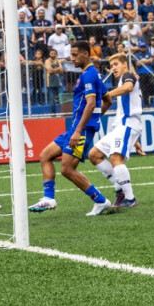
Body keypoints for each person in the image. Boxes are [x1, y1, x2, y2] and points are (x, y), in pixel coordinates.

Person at [29, 41, 110, 213]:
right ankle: (48, 199)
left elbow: (90, 103)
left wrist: (82, 128)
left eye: (74, 55)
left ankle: (101, 201)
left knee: (67, 169)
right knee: (45, 155)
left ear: (86, 54)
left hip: (79, 130)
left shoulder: (89, 75)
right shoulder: (91, 73)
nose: (71, 58)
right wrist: (94, 119)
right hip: (75, 128)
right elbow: (108, 100)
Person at [87, 53, 145, 213]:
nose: (113, 68)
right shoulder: (121, 80)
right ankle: (120, 189)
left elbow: (128, 87)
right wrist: (136, 140)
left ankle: (130, 198)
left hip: (127, 124)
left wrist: (106, 94)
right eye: (111, 66)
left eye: (116, 65)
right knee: (94, 154)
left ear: (124, 65)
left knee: (115, 158)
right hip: (121, 126)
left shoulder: (128, 76)